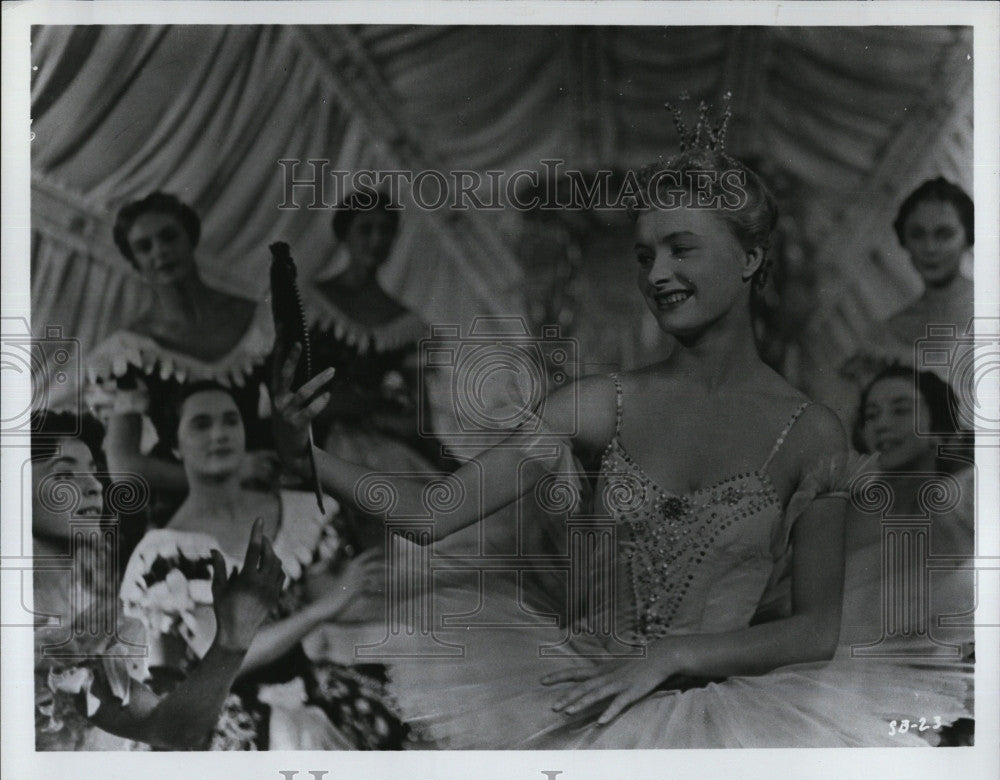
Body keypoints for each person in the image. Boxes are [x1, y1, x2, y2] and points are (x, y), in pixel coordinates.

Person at [271, 129, 973, 747]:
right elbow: (429, 515)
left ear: (751, 259)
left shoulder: (810, 431)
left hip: (734, 723)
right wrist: (304, 453)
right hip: (584, 703)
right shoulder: (591, 406)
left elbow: (816, 631)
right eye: (644, 256)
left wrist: (677, 655)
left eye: (681, 249)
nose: (657, 274)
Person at [118, 382, 408, 750]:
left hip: (312, 688)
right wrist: (322, 609)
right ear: (174, 446)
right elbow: (229, 657)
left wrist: (422, 593)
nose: (219, 434)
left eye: (230, 421)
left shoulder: (298, 511)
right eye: (201, 425)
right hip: (234, 716)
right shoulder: (167, 552)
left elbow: (337, 598)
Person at [32, 410, 285, 751]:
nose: (93, 487)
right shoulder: (40, 634)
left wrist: (232, 637)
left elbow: (166, 725)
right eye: (64, 475)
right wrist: (232, 641)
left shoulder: (88, 609)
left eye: (92, 473)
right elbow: (170, 730)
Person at [86, 191, 277, 526]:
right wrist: (230, 470)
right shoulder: (129, 352)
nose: (160, 251)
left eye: (169, 236)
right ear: (135, 261)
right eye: (144, 246)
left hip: (270, 482)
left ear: (191, 238)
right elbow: (124, 467)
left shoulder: (258, 320)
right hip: (188, 504)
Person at [305, 192, 452, 477]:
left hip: (377, 441)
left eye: (386, 230)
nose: (376, 240)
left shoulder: (406, 324)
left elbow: (420, 418)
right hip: (312, 435)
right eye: (366, 229)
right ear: (344, 233)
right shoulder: (311, 302)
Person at [840, 366, 975, 658]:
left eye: (900, 410)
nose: (882, 425)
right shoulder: (839, 514)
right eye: (871, 415)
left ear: (938, 428)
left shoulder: (963, 508)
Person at [841, 178, 974, 390]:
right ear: (905, 241)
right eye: (917, 234)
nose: (930, 248)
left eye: (944, 234)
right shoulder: (887, 335)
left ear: (967, 238)